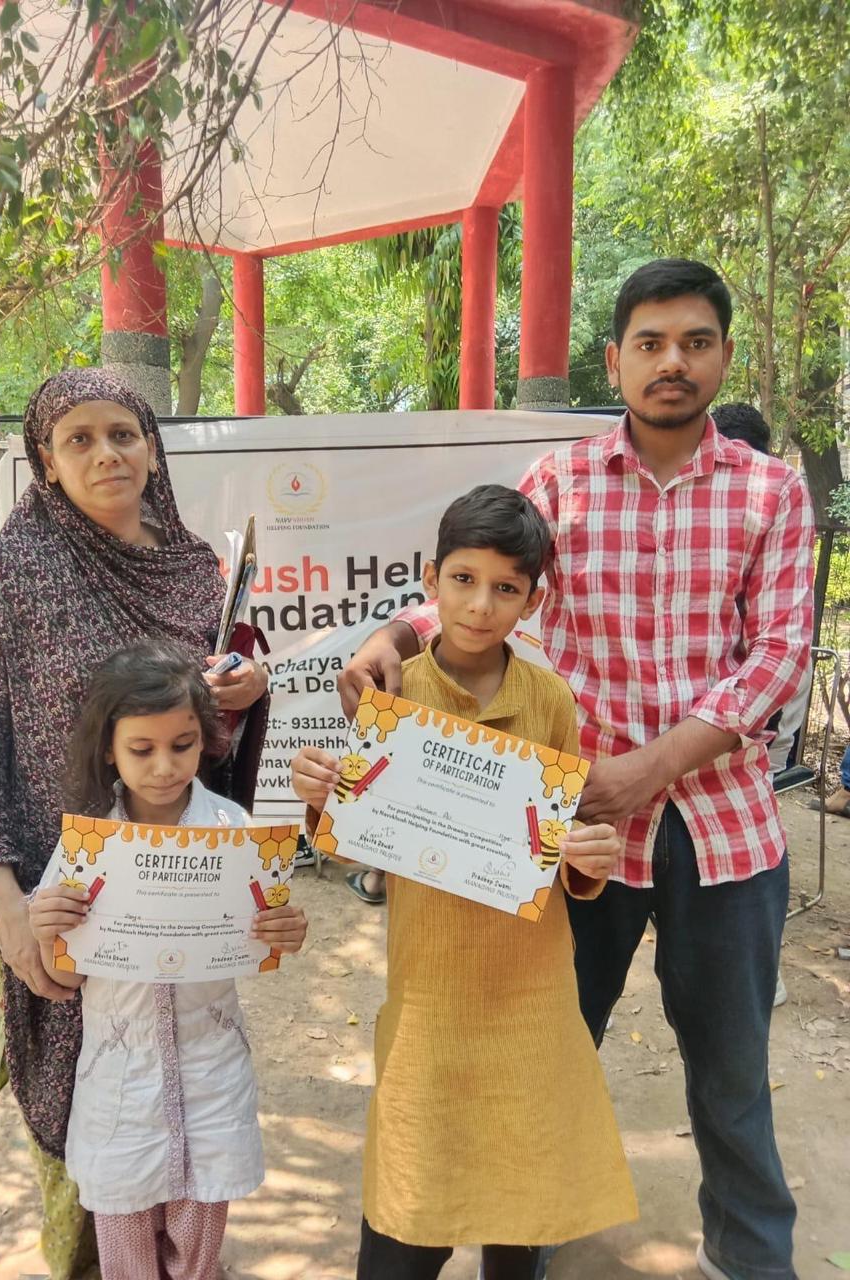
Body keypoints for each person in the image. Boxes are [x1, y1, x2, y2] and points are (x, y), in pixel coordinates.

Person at [338, 260, 814, 1280]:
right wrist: (392, 636)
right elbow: (483, 579)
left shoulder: (772, 491)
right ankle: (527, 1248)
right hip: (563, 830)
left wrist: (653, 765)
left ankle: (750, 1258)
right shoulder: (560, 480)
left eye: (694, 341)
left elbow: (779, 654)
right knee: (541, 1058)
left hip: (721, 829)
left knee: (730, 1077)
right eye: (650, 343)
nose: (672, 361)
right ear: (616, 359)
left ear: (724, 353)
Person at [0, 369, 270, 1280]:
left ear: (152, 444)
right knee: (87, 1146)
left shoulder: (196, 567)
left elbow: (205, 736)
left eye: (121, 433)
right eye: (77, 439)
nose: (105, 454)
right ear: (44, 461)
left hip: (174, 903)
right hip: (61, 908)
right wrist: (6, 905)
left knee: (188, 1123)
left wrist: (244, 688)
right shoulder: (10, 574)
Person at [294, 485, 637, 1280]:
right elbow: (355, 845)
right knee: (409, 1207)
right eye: (464, 580)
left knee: (519, 1212)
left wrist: (586, 862)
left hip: (529, 995)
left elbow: (555, 854)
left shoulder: (549, 699)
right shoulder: (396, 697)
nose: (482, 606)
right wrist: (321, 804)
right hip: (431, 992)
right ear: (431, 578)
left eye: (506, 588)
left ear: (533, 599)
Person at [30, 640, 307, 1280]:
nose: (163, 766)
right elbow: (67, 978)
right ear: (109, 748)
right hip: (121, 1089)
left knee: (199, 1245)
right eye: (142, 749)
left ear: (204, 741)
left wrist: (284, 930)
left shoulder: (235, 834)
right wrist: (50, 929)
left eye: (181, 745)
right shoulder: (87, 848)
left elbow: (261, 946)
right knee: (125, 1247)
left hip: (212, 1079)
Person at [712, 401, 806, 1009]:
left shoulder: (772, 502)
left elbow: (777, 651)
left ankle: (750, 967)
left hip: (743, 731)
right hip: (756, 725)